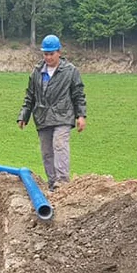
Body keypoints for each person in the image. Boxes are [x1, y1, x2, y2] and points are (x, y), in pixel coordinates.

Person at [17, 34, 87, 191]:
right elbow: (30, 96)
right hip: (42, 117)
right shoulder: (36, 72)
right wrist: (24, 115)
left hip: (63, 115)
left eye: (51, 54)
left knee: (60, 145)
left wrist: (81, 115)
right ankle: (52, 184)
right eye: (46, 54)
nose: (48, 57)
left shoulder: (70, 71)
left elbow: (78, 94)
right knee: (47, 152)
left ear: (59, 52)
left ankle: (62, 181)